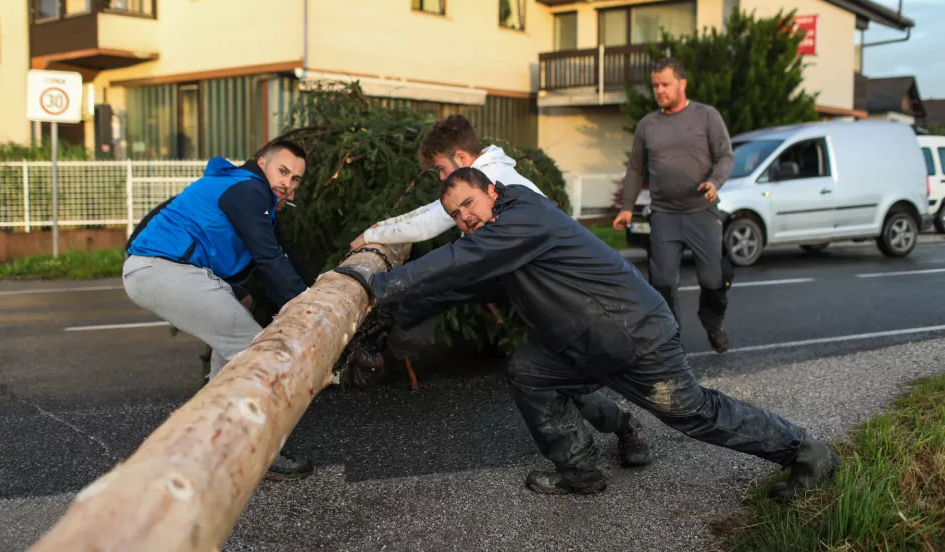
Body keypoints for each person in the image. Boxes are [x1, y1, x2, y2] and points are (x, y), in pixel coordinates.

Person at [333, 168, 838, 498]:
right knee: (530, 372)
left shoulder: (523, 216)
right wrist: (386, 317)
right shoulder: (498, 238)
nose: (464, 218)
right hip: (584, 341)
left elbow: (458, 262)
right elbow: (457, 284)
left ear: (491, 191)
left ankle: (806, 451)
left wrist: (380, 283)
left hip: (633, 335)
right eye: (455, 215)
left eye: (468, 204)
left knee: (694, 413)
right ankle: (580, 470)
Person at [346, 114, 653, 468]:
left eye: (441, 169)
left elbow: (427, 221)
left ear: (461, 159)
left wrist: (370, 236)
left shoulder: (493, 179)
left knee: (570, 373)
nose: (442, 179)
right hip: (523, 282)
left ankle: (627, 427)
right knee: (442, 295)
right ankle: (379, 345)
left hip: (562, 295)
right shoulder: (485, 177)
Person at [121, 137, 314, 481]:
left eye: (295, 179)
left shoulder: (240, 188)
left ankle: (212, 437)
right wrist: (308, 312)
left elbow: (283, 255)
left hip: (163, 268)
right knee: (257, 352)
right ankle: (256, 450)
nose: (287, 183)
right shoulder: (248, 189)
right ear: (262, 162)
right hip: (160, 268)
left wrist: (312, 290)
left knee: (239, 333)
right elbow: (269, 259)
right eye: (283, 171)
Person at [613, 57, 734, 353]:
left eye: (665, 84)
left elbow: (726, 157)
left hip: (701, 212)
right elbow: (634, 168)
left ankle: (713, 323)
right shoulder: (648, 125)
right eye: (655, 85)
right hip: (665, 214)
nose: (659, 91)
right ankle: (671, 340)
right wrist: (627, 206)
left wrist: (715, 182)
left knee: (713, 279)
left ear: (682, 84)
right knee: (663, 282)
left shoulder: (706, 116)